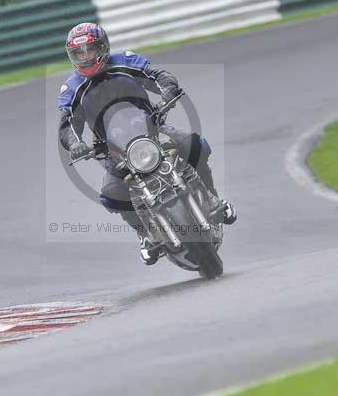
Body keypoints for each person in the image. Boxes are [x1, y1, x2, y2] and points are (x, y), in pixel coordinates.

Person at [57, 22, 236, 265]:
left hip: (152, 129)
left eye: (90, 50)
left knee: (194, 145)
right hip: (112, 148)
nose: (86, 57)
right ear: (72, 57)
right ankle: (145, 233)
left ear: (103, 47)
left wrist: (169, 90)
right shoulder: (72, 88)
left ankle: (214, 199)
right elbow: (67, 124)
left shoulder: (125, 61)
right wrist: (75, 144)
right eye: (79, 53)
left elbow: (157, 75)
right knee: (111, 193)